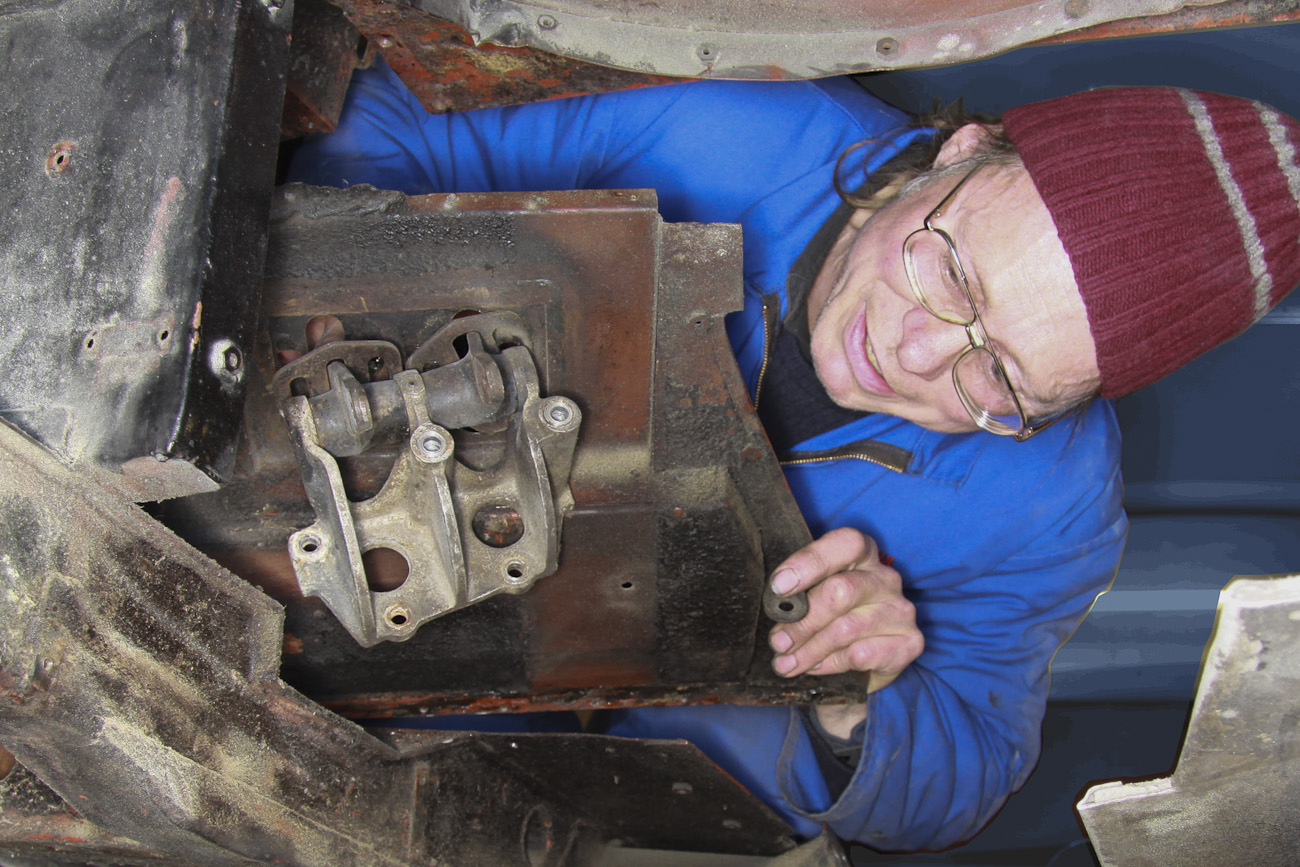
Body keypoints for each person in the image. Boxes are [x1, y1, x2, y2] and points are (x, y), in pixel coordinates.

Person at [287, 62, 1300, 850]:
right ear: (957, 153)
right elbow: (391, 120)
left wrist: (860, 698)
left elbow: (966, 775)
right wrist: (361, 318)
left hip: (535, 791)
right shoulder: (718, 119)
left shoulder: (1052, 508)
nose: (913, 352)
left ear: (1070, 405)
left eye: (997, 377)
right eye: (948, 268)